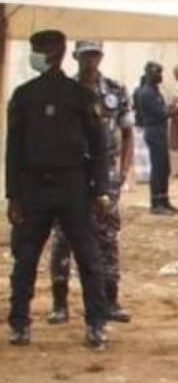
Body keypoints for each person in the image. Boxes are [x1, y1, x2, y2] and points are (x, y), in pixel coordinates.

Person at [6, 30, 113, 349]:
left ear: (59, 52)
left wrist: (100, 190)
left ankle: (96, 323)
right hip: (33, 187)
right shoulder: (23, 95)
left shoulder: (80, 96)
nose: (36, 55)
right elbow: (13, 151)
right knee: (25, 259)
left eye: (42, 49)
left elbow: (99, 146)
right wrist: (13, 195)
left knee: (88, 257)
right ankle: (19, 323)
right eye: (35, 49)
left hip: (73, 185)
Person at [46, 40, 133, 325]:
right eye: (85, 55)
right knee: (63, 237)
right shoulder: (63, 90)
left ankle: (110, 300)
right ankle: (59, 304)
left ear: (101, 56)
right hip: (70, 172)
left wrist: (123, 171)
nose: (90, 60)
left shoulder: (115, 91)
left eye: (95, 55)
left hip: (105, 172)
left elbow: (128, 133)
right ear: (75, 56)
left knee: (107, 235)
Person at [133, 62, 176, 214]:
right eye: (158, 73)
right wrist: (173, 110)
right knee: (158, 168)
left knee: (164, 168)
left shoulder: (154, 91)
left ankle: (164, 199)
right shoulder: (147, 93)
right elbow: (160, 113)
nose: (160, 76)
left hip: (160, 131)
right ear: (150, 74)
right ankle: (156, 203)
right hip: (154, 131)